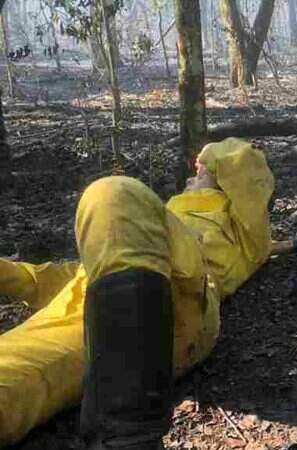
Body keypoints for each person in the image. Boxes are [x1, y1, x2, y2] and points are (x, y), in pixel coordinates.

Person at [0, 138, 275, 449]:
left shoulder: (242, 229)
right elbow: (75, 274)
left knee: (112, 193)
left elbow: (248, 168)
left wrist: (209, 157)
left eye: (199, 176)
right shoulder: (143, 221)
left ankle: (128, 438)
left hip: (173, 312)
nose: (190, 178)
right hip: (82, 320)